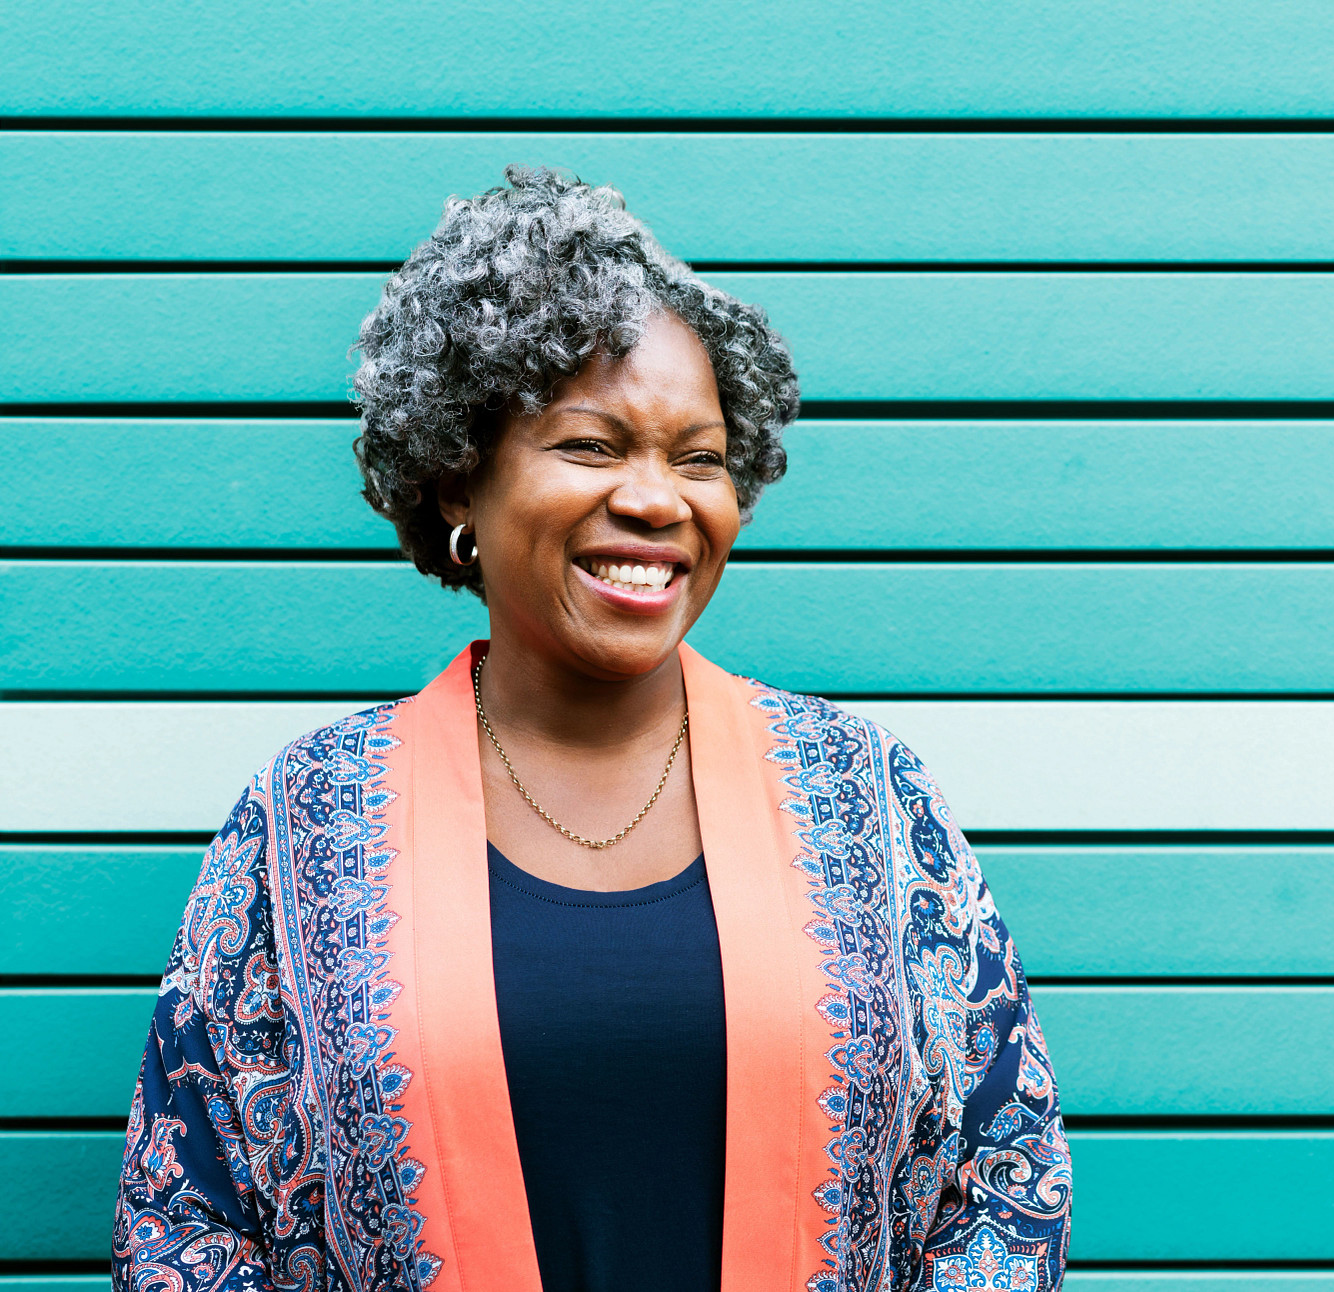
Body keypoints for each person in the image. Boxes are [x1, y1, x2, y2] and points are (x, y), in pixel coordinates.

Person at [111, 166, 1070, 1292]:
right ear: (459, 477)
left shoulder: (863, 794)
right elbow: (187, 1222)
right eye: (593, 445)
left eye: (698, 456)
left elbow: (1004, 1172)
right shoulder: (308, 820)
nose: (660, 500)